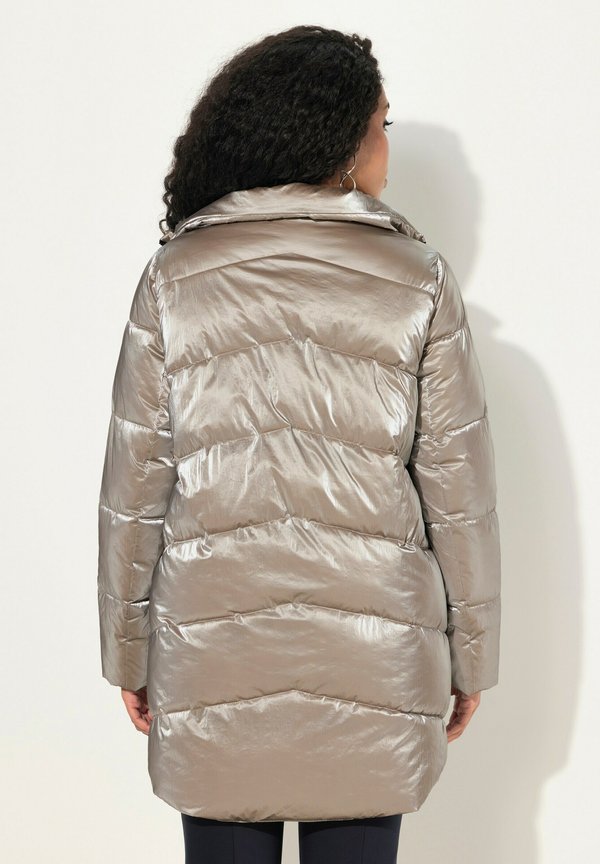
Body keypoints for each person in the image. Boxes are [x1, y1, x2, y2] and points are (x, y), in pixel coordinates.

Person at [97, 24, 501, 864]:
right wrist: (472, 659)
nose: (387, 145)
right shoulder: (418, 280)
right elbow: (458, 495)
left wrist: (129, 652)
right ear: (341, 141)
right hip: (374, 657)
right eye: (382, 125)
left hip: (214, 654)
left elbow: (134, 490)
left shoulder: (176, 276)